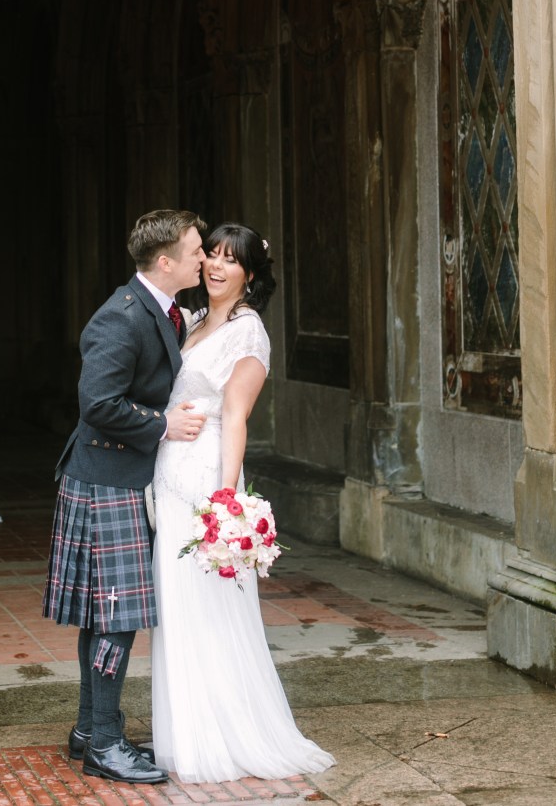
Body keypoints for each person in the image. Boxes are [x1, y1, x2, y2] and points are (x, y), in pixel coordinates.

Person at [150, 223, 336, 782]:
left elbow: (235, 417)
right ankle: (186, 733)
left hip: (204, 482)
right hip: (168, 474)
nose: (216, 266)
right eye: (212, 255)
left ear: (250, 275)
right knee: (177, 612)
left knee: (210, 612)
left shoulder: (248, 334)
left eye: (231, 261)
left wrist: (225, 501)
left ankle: (223, 736)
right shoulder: (195, 321)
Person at [42, 208, 208, 785]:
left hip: (112, 478)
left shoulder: (159, 309)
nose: (203, 257)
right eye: (194, 251)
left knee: (104, 612)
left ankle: (92, 728)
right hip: (105, 480)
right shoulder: (120, 318)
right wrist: (164, 424)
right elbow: (99, 404)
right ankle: (105, 745)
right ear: (164, 262)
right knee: (115, 616)